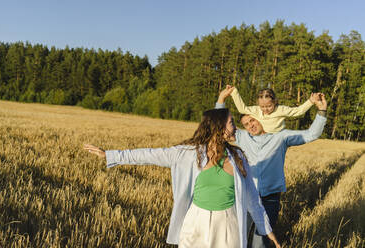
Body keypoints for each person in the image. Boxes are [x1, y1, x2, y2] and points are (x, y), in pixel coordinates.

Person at [84, 108, 281, 248]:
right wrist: (110, 155)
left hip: (228, 224)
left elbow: (253, 199)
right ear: (219, 126)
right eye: (232, 123)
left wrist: (267, 231)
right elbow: (149, 154)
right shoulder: (187, 153)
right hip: (196, 222)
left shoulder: (238, 159)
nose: (237, 127)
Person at [216, 88, 327, 248]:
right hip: (246, 196)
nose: (250, 126)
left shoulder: (281, 137)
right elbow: (220, 127)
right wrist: (221, 99)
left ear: (260, 118)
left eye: (252, 121)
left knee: (259, 243)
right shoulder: (242, 137)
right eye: (246, 125)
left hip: (270, 199)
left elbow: (311, 134)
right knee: (237, 239)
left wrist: (322, 110)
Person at [227, 85, 318, 133]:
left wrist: (310, 101)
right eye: (262, 106)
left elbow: (297, 111)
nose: (265, 109)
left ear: (274, 102)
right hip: (262, 137)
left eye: (269, 106)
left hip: (277, 137)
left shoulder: (280, 110)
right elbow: (242, 109)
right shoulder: (256, 110)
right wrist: (234, 92)